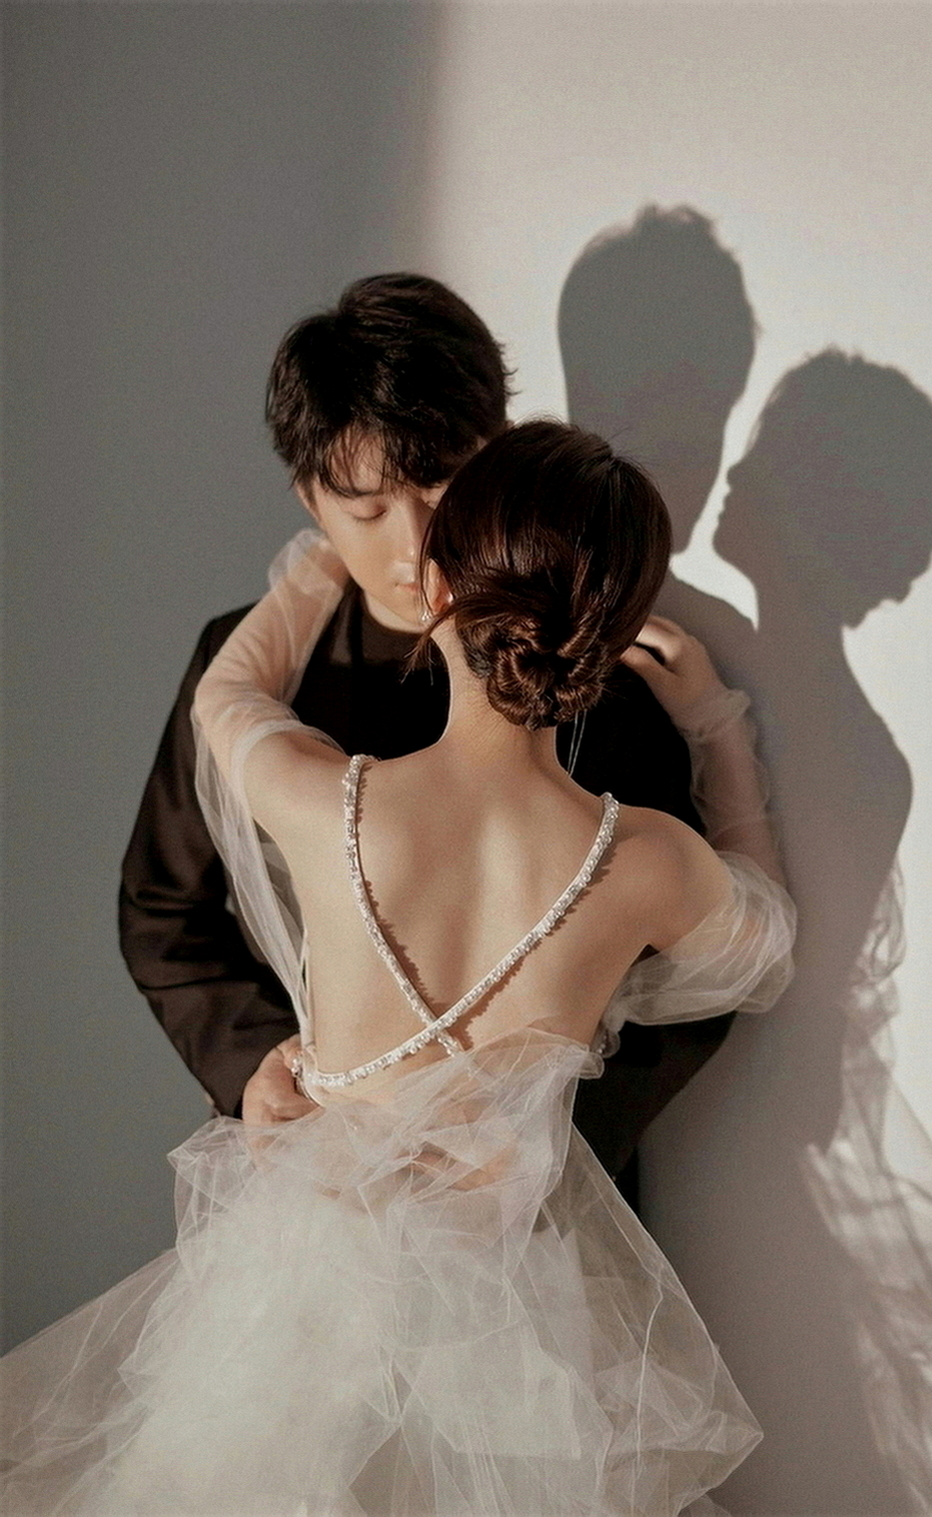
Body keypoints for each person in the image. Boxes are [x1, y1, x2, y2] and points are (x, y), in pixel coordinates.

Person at [1, 420, 796, 1516]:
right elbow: (763, 943)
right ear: (607, 638)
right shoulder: (647, 861)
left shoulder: (329, 803)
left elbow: (223, 700)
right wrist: (713, 720)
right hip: (516, 1318)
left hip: (300, 1295)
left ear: (435, 588)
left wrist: (318, 560)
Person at [119, 272, 732, 1199]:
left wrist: (539, 1147)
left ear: (499, 447)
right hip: (314, 1183)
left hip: (542, 1212)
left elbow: (689, 957)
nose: (413, 543)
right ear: (310, 499)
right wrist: (256, 1064)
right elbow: (165, 909)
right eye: (367, 508)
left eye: (442, 482)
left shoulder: (591, 655)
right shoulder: (246, 660)